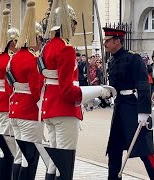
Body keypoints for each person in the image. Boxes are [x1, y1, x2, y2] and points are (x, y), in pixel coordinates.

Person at [40, 1, 115, 179]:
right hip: (63, 110)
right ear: (67, 24)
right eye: (73, 24)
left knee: (53, 165)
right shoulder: (65, 49)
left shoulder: (46, 47)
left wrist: (87, 97)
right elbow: (67, 90)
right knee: (65, 164)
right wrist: (98, 91)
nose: (74, 29)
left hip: (49, 108)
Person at [103, 27, 154, 180]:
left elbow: (143, 85)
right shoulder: (112, 60)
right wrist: (101, 96)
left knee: (145, 151)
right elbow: (113, 87)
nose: (105, 43)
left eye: (108, 40)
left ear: (117, 41)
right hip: (120, 107)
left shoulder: (134, 58)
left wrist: (144, 112)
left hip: (134, 108)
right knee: (114, 150)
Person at [7, 1, 44, 179]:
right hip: (28, 112)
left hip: (15, 109)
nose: (40, 44)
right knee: (30, 157)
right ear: (34, 39)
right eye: (39, 39)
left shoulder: (13, 58)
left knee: (20, 156)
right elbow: (36, 90)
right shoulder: (32, 59)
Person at [0, 9, 19, 180]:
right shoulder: (9, 60)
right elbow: (9, 87)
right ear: (12, 42)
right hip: (6, 104)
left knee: (0, 149)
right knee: (8, 150)